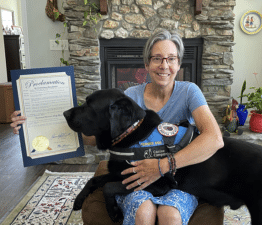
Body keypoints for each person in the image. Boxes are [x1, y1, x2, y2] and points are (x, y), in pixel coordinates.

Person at [11, 29, 224, 225]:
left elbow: (214, 139)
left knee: (170, 215)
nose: (164, 65)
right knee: (144, 212)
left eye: (171, 59)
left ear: (179, 64)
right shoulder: (130, 97)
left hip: (178, 175)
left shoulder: (189, 92)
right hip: (134, 175)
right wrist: (33, 126)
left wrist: (162, 167)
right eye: (157, 58)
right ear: (147, 63)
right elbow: (95, 138)